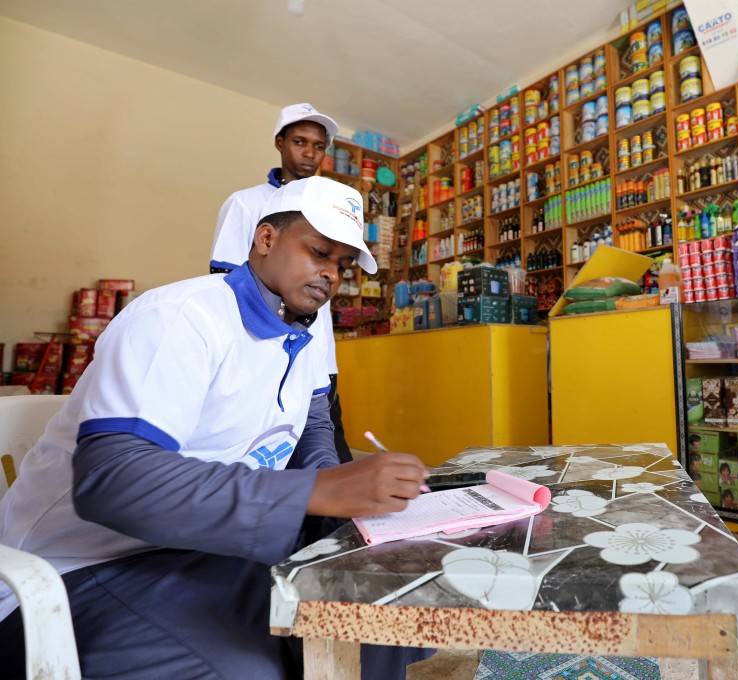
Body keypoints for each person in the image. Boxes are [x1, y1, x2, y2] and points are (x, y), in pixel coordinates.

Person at [0, 177, 433, 679]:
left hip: (208, 546)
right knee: (247, 669)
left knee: (381, 612)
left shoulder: (307, 333)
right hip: (77, 572)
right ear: (266, 240)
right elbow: (114, 481)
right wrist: (313, 490)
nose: (331, 275)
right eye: (318, 252)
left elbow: (313, 425)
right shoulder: (180, 318)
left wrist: (346, 500)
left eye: (342, 265)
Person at [211, 103, 354, 464]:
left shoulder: (332, 205)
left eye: (319, 146)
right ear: (279, 143)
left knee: (325, 447)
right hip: (261, 351)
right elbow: (228, 283)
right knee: (267, 452)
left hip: (315, 355)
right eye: (300, 141)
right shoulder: (246, 203)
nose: (310, 152)